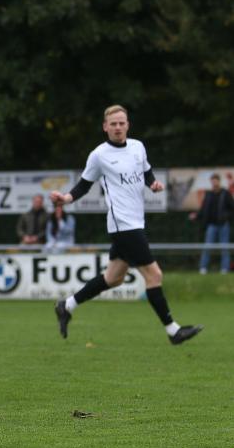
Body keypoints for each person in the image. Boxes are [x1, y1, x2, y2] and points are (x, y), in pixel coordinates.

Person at [51, 105, 202, 345]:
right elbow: (83, 185)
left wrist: (152, 184)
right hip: (123, 224)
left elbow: (147, 171)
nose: (118, 127)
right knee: (154, 275)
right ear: (105, 127)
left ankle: (66, 305)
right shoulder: (99, 155)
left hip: (135, 222)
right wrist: (66, 199)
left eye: (122, 123)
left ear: (128, 125)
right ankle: (173, 331)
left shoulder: (137, 147)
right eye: (113, 124)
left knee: (113, 278)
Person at [189, 173, 233, 274]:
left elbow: (231, 208)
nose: (214, 183)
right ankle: (203, 268)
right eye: (212, 181)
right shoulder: (209, 194)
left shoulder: (225, 193)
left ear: (219, 181)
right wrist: (196, 215)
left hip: (223, 225)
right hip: (212, 225)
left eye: (215, 180)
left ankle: (225, 269)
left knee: (224, 247)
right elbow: (204, 209)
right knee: (207, 246)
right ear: (211, 182)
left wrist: (226, 216)